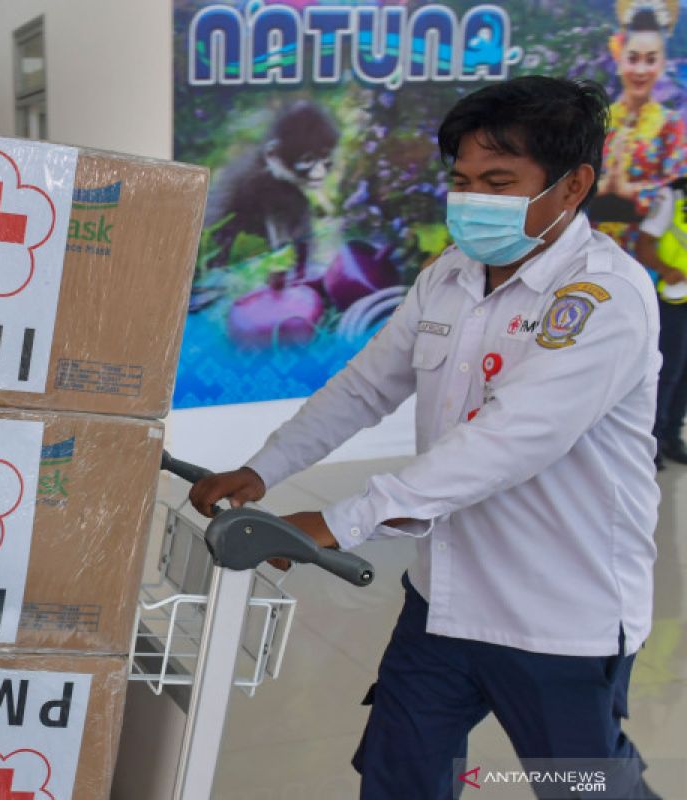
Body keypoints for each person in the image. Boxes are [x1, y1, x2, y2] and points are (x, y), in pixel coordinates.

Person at [190, 76, 661, 799]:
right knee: (400, 776)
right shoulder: (449, 275)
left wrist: (340, 522)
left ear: (573, 188)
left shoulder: (603, 301)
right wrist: (262, 468)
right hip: (442, 599)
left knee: (584, 786)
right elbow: (365, 386)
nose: (473, 200)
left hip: (559, 615)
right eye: (463, 180)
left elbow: (507, 442)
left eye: (500, 182)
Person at [589, 2, 685, 255]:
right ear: (619, 59)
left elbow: (679, 192)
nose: (640, 70)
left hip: (650, 252)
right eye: (633, 59)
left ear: (662, 63)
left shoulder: (672, 125)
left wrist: (626, 190)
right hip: (590, 246)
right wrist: (601, 186)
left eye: (650, 60)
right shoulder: (598, 120)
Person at [636, 177, 687, 468]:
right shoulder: (674, 195)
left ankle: (672, 437)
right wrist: (666, 269)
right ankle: (652, 441)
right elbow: (645, 244)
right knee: (669, 371)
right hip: (674, 298)